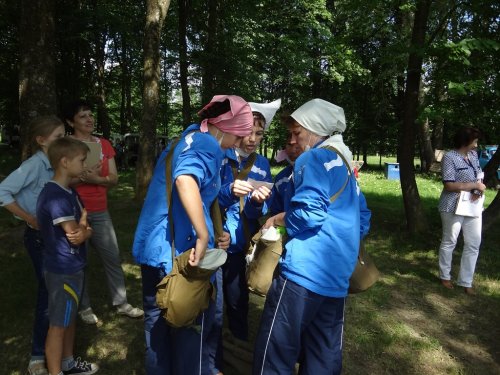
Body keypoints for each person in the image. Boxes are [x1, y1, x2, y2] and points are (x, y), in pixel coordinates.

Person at [132, 95, 253, 375]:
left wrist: (214, 230)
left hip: (155, 250)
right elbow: (185, 179)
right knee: (193, 330)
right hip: (182, 257)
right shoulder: (207, 143)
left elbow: (201, 194)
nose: (238, 144)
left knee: (157, 326)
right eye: (238, 136)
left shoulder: (187, 137)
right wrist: (202, 235)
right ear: (225, 127)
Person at [253, 99, 370, 375]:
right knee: (323, 355)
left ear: (316, 131)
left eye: (298, 132)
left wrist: (278, 218)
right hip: (336, 276)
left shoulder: (313, 158)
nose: (292, 140)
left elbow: (308, 214)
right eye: (290, 134)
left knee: (275, 352)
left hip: (303, 274)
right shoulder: (343, 163)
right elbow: (362, 220)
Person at [63, 100, 143, 324]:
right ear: (70, 122)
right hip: (74, 212)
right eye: (82, 116)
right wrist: (81, 178)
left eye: (90, 114)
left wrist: (95, 178)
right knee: (80, 261)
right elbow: (59, 182)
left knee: (112, 256)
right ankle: (85, 307)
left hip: (100, 210)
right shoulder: (64, 145)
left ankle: (122, 303)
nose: (89, 119)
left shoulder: (104, 144)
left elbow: (114, 179)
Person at [0, 116, 65, 375]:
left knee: (56, 292)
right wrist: (28, 217)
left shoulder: (55, 163)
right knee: (48, 294)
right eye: (59, 137)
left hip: (58, 237)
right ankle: (38, 355)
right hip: (39, 239)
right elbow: (2, 191)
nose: (64, 140)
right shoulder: (33, 165)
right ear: (41, 141)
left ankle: (57, 349)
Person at [218, 99, 280, 342]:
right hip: (215, 239)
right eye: (248, 132)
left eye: (259, 134)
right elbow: (205, 198)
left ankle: (238, 342)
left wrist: (257, 202)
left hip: (240, 243)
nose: (253, 139)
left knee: (236, 297)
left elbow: (260, 210)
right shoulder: (221, 155)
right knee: (208, 296)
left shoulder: (262, 164)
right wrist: (229, 191)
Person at [36, 137, 98, 375]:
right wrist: (84, 229)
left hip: (73, 266)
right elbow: (76, 235)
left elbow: (85, 225)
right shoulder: (55, 196)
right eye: (81, 160)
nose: (84, 165)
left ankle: (68, 363)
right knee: (58, 325)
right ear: (64, 162)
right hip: (62, 270)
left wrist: (84, 229)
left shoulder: (68, 191)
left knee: (68, 318)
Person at [438, 127, 485, 295]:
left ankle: (466, 281)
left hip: (472, 205)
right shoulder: (450, 157)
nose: (477, 144)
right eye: (475, 140)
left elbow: (478, 177)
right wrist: (473, 186)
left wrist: (478, 190)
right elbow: (449, 185)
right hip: (452, 205)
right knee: (450, 240)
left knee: (474, 243)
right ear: (466, 141)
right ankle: (445, 276)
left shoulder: (473, 156)